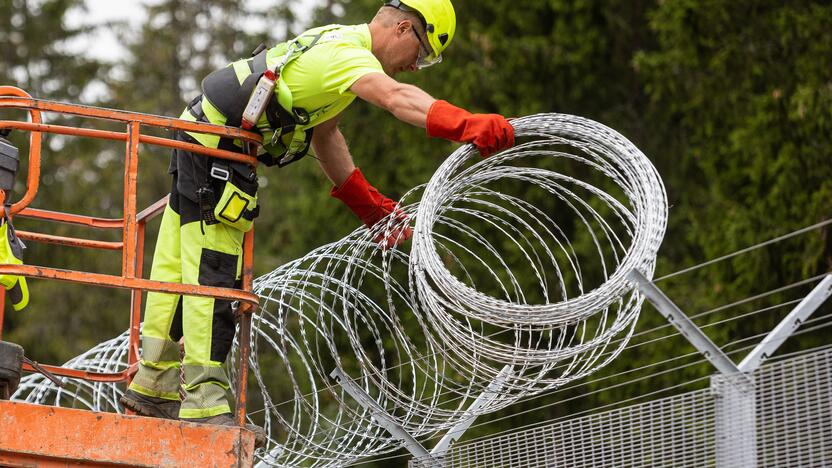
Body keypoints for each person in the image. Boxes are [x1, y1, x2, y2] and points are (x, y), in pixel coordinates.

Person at [119, 0, 514, 435]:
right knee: (213, 272)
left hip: (200, 134)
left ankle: (152, 382)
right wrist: (466, 123)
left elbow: (325, 134)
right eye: (420, 54)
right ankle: (203, 401)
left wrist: (369, 206)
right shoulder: (349, 57)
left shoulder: (337, 41)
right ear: (404, 28)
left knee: (175, 264)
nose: (416, 67)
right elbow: (398, 99)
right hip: (216, 149)